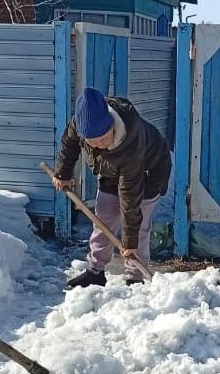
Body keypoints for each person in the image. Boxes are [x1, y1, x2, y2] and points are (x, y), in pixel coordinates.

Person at [51, 87, 172, 288]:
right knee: (103, 217)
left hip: (149, 172)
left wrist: (129, 242)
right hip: (111, 170)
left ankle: (136, 276)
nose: (100, 146)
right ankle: (95, 270)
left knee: (138, 224)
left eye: (104, 139)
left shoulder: (131, 141)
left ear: (111, 125)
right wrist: (63, 174)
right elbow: (69, 144)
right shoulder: (80, 124)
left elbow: (130, 195)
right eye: (93, 143)